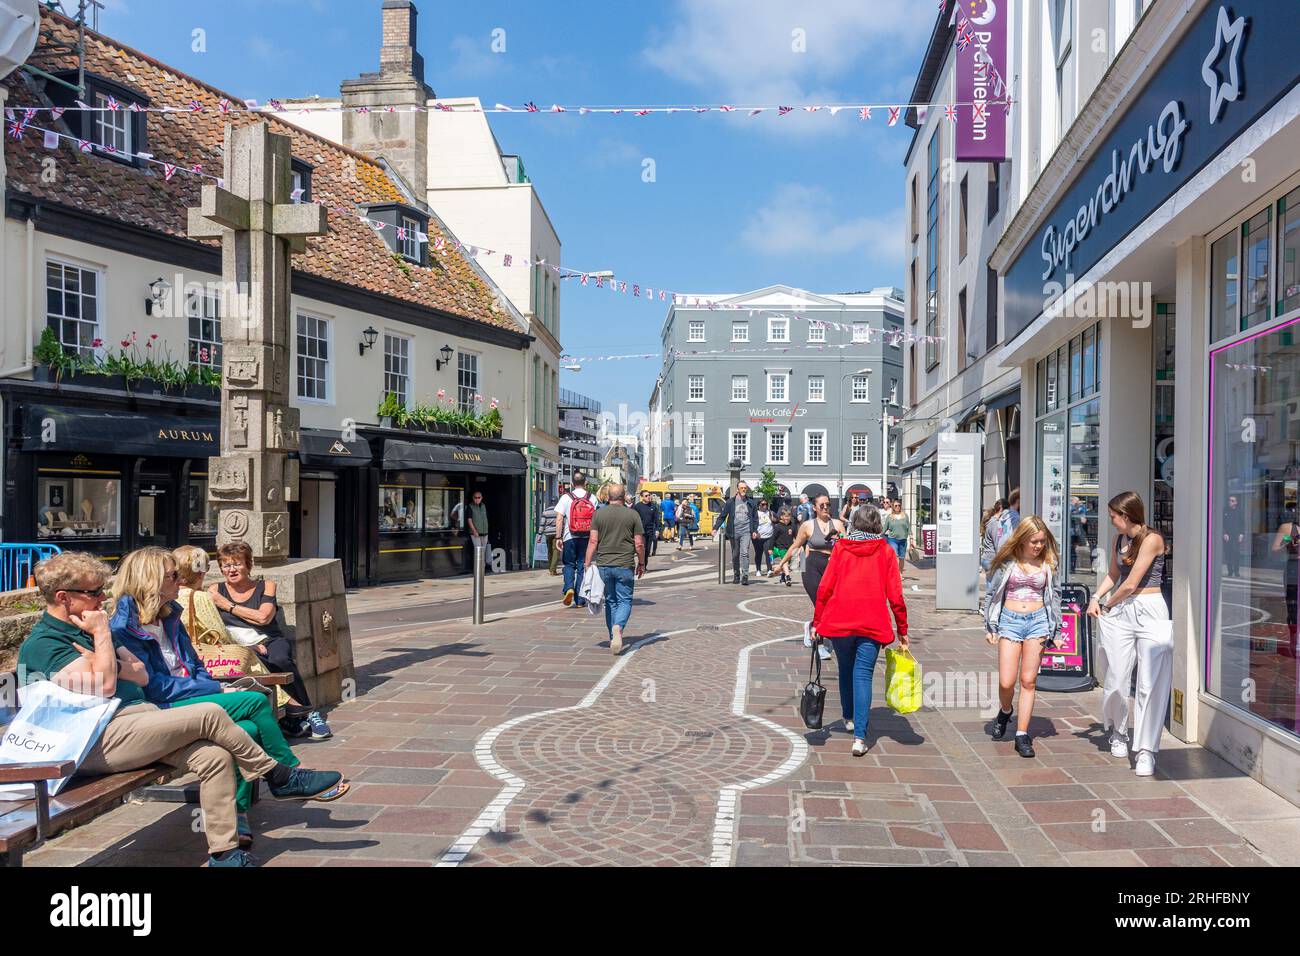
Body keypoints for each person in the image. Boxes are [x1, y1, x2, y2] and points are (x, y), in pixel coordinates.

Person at [17, 551, 344, 868]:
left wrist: (105, 661)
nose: (102, 598)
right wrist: (103, 638)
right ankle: (280, 775)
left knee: (214, 756)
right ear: (63, 597)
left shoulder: (82, 629)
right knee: (210, 714)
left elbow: (140, 672)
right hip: (91, 741)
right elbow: (104, 685)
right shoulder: (48, 643)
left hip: (137, 722)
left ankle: (224, 853)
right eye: (93, 593)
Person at [113, 547, 346, 850]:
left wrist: (207, 686)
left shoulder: (170, 616)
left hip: (192, 696)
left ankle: (239, 813)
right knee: (255, 701)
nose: (179, 580)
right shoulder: (124, 628)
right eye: (172, 575)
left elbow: (195, 664)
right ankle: (286, 775)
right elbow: (154, 688)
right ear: (151, 580)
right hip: (161, 710)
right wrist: (212, 690)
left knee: (247, 730)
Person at [209, 541, 331, 741]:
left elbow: (263, 618)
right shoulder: (216, 588)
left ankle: (309, 712)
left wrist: (227, 605)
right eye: (226, 565)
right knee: (256, 663)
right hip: (239, 644)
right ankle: (290, 717)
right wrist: (247, 618)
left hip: (269, 638)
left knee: (281, 660)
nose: (231, 570)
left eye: (237, 564)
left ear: (248, 565)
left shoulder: (266, 585)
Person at [812, 508, 909, 756]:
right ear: (877, 525)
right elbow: (895, 595)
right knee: (863, 675)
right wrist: (902, 629)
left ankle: (848, 717)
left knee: (845, 669)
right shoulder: (885, 551)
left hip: (841, 621)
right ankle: (859, 738)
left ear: (854, 524)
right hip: (872, 621)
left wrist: (817, 621)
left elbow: (825, 588)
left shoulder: (841, 549)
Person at [1089, 491, 1172, 777]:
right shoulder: (1118, 540)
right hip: (1123, 612)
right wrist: (1095, 595)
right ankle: (1119, 732)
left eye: (1113, 515)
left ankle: (1146, 750)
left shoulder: (1152, 539)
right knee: (1115, 676)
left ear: (1126, 515)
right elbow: (1114, 576)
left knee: (1150, 682)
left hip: (1149, 609)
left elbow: (1130, 583)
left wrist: (1105, 603)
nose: (1110, 520)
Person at [983, 516, 1063, 758]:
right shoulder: (1007, 562)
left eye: (1042, 541)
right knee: (1007, 681)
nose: (1039, 546)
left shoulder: (1049, 563)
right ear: (1022, 540)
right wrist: (990, 626)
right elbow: (992, 593)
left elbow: (1055, 597)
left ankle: (1022, 735)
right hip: (1009, 621)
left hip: (1038, 622)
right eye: (1034, 542)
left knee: (1028, 681)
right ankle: (1005, 711)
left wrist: (1057, 631)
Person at [775, 494, 844, 661]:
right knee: (821, 603)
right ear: (814, 508)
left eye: (828, 505)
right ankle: (822, 643)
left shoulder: (838, 524)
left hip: (831, 566)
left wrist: (840, 539)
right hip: (811, 564)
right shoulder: (807, 526)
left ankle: (812, 626)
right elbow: (795, 546)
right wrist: (781, 564)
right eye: (822, 505)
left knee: (832, 604)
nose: (826, 508)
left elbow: (846, 546)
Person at [584, 484, 645, 655]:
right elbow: (639, 544)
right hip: (625, 564)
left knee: (610, 601)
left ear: (608, 496)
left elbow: (593, 541)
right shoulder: (633, 514)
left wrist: (587, 563)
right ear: (624, 496)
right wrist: (641, 564)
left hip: (603, 564)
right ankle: (619, 627)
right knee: (624, 600)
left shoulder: (598, 514)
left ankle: (613, 635)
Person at [557, 472, 597, 608]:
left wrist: (558, 537)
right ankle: (580, 600)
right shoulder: (592, 497)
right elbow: (595, 520)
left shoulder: (566, 497)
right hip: (586, 537)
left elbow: (559, 519)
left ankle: (569, 587)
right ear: (585, 482)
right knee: (581, 567)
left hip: (570, 537)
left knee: (569, 565)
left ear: (572, 483)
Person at [1270, 508, 1299, 655]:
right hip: (1294, 568)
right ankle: (1294, 641)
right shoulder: (1287, 527)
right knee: (1293, 606)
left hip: (1295, 568)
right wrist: (1287, 544)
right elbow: (1274, 550)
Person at [719, 482, 759, 585]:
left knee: (745, 553)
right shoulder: (730, 502)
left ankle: (745, 576)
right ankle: (736, 574)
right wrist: (715, 528)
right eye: (741, 488)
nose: (743, 490)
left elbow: (755, 518)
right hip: (734, 532)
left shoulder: (751, 502)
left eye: (745, 488)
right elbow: (723, 516)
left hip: (746, 531)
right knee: (735, 554)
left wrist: (754, 530)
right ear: (737, 489)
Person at [632, 489, 662, 572]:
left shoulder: (653, 506)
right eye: (646, 495)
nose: (648, 497)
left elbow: (656, 519)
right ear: (642, 497)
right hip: (640, 531)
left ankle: (643, 565)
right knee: (642, 548)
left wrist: (657, 530)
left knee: (647, 550)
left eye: (649, 495)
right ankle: (641, 565)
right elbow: (634, 518)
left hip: (650, 531)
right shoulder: (637, 506)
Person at [466, 488, 492, 573]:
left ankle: (482, 569)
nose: (477, 499)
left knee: (483, 551)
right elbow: (469, 520)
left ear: (481, 498)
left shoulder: (483, 506)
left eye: (479, 497)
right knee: (478, 551)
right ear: (473, 498)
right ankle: (477, 570)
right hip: (475, 533)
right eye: (475, 497)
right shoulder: (470, 506)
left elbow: (485, 518)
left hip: (485, 533)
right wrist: (474, 531)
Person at [979, 498, 1009, 573]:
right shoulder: (995, 523)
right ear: (1002, 509)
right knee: (994, 584)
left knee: (991, 583)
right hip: (991, 559)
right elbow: (997, 542)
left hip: (988, 558)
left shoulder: (992, 521)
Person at [883, 499, 911, 574]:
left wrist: (912, 540)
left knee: (902, 558)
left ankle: (900, 573)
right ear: (893, 507)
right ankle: (895, 574)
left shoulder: (905, 516)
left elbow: (909, 528)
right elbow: (885, 528)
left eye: (899, 505)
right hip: (892, 539)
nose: (898, 507)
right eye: (896, 505)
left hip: (903, 540)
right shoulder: (889, 517)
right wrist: (878, 536)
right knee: (895, 556)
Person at [991, 488, 1023, 552]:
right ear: (1018, 501)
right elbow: (1016, 538)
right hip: (1010, 553)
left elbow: (1000, 535)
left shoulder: (1003, 517)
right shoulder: (1016, 518)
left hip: (1001, 551)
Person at [771, 507, 796, 586]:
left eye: (788, 516)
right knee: (784, 562)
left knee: (786, 563)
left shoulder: (792, 526)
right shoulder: (778, 526)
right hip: (780, 547)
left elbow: (796, 536)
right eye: (785, 516)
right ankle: (788, 577)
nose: (787, 518)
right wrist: (770, 548)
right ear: (781, 517)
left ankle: (782, 577)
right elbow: (773, 538)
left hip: (789, 548)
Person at [1222, 494, 1245, 578]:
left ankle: (1236, 571)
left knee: (1236, 554)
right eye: (1229, 500)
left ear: (1236, 502)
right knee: (1228, 554)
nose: (1230, 502)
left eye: (1232, 501)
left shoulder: (1239, 511)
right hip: (1227, 536)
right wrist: (1224, 533)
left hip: (1236, 536)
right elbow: (1222, 523)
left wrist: (1241, 535)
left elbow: (1242, 524)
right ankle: (1230, 571)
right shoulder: (1225, 511)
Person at [754, 499, 776, 576]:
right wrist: (755, 532)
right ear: (759, 505)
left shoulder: (770, 512)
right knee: (758, 554)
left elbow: (777, 520)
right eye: (763, 504)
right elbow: (752, 524)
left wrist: (773, 519)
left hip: (769, 536)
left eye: (766, 504)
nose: (765, 506)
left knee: (768, 553)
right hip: (758, 537)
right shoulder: (756, 513)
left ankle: (769, 569)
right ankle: (758, 570)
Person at [540, 499, 560, 575]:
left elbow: (542, 524)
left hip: (548, 533)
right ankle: (553, 569)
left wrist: (539, 534)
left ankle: (550, 567)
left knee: (549, 551)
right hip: (556, 533)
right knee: (556, 550)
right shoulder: (559, 511)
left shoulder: (545, 511)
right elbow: (562, 522)